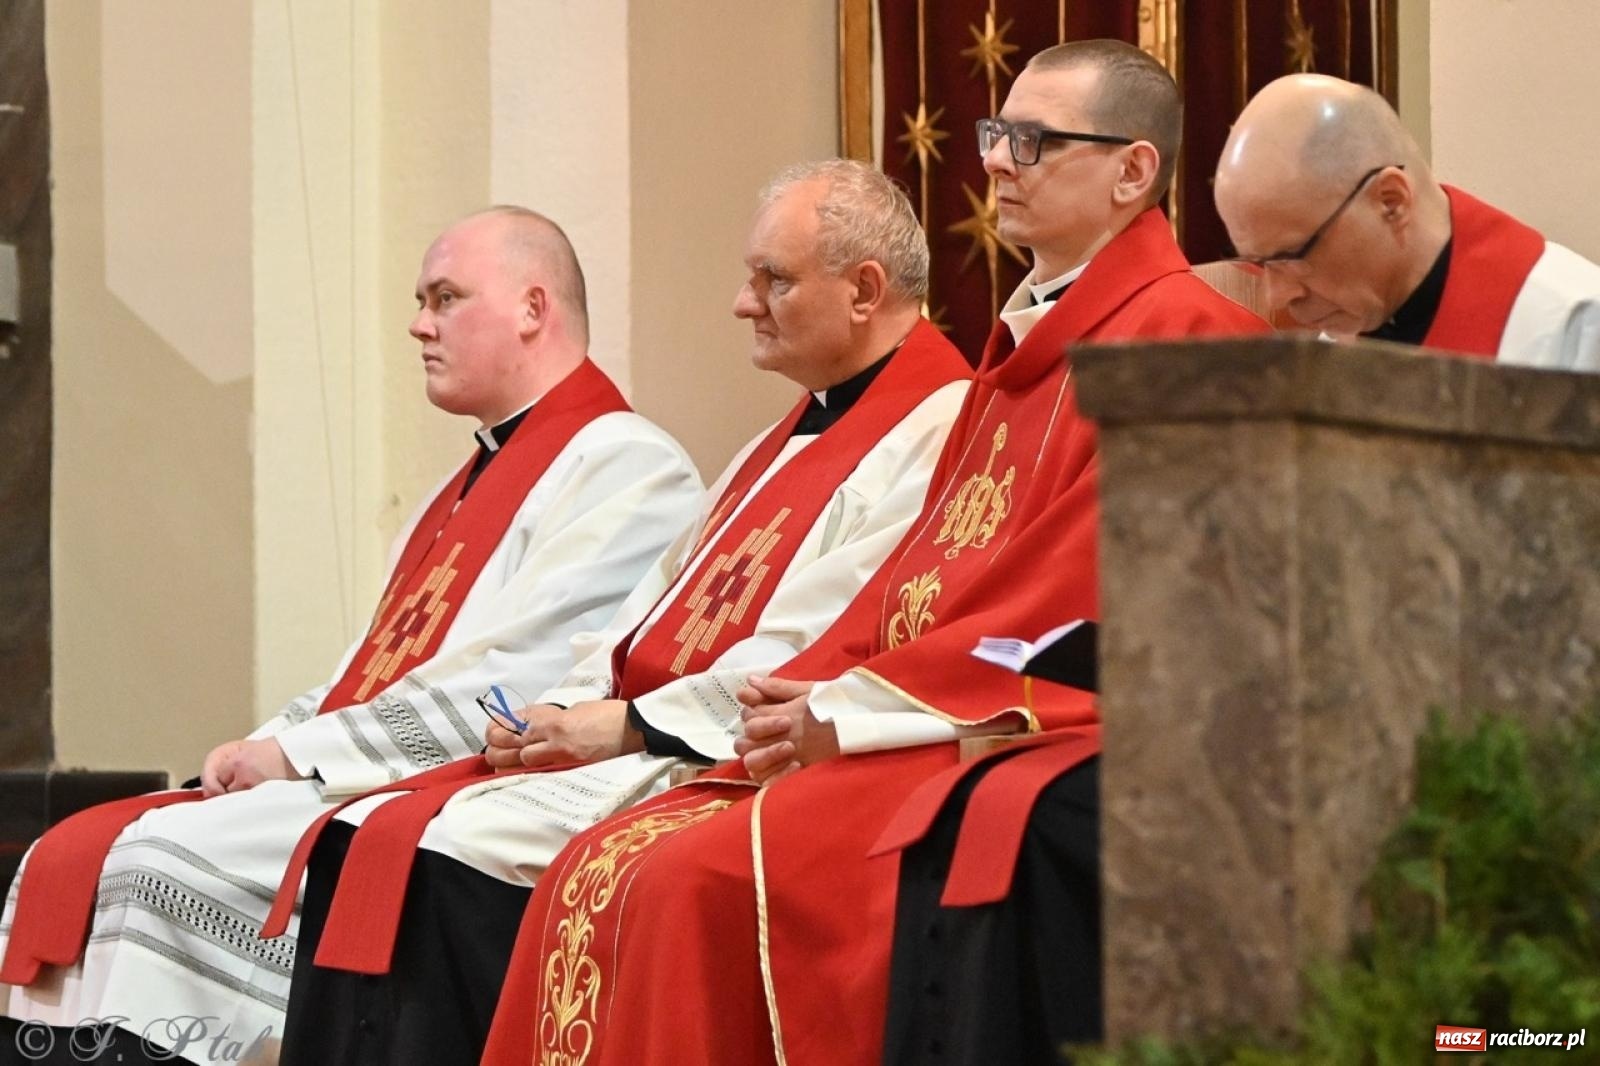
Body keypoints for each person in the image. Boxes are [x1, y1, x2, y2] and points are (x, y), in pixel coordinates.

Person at [480, 40, 1270, 1066]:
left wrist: (847, 708)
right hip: (925, 715)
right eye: (996, 135)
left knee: (683, 877)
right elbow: (924, 583)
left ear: (1132, 171)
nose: (997, 161)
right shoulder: (1023, 354)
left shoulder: (1177, 340)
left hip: (1015, 730)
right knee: (607, 862)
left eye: (1035, 141)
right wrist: (809, 689)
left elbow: (1066, 598)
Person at [267, 160, 972, 1066]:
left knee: (451, 850)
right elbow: (652, 611)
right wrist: (559, 710)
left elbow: (819, 642)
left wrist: (630, 726)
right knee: (366, 832)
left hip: (724, 757)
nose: (742, 303)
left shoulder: (937, 427)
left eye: (773, 279)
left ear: (865, 290)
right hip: (644, 738)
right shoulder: (778, 439)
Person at [0, 207, 704, 1065]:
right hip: (376, 769)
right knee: (74, 853)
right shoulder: (461, 484)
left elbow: (519, 677)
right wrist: (268, 743)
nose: (418, 323)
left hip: (462, 783)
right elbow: (369, 670)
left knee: (151, 861)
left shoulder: (628, 464)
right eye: (420, 299)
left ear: (531, 307)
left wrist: (298, 758)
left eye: (445, 297)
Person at [1215, 73, 1600, 370]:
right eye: (1261, 264)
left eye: (1291, 255)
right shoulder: (1334, 351)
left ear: (1391, 202)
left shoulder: (1573, 330)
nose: (1277, 296)